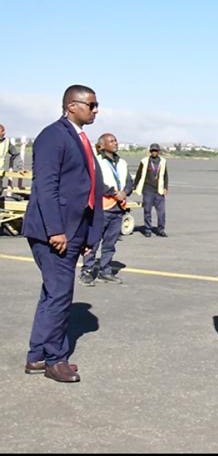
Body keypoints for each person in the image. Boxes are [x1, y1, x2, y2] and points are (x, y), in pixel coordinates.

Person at [21, 85, 104, 383]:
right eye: (91, 105)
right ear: (72, 106)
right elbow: (46, 186)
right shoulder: (53, 136)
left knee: (52, 294)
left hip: (73, 230)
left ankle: (37, 356)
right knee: (59, 295)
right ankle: (55, 359)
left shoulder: (80, 138)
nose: (96, 110)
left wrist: (88, 235)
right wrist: (55, 230)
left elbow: (87, 186)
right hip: (54, 232)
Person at [80, 133, 134, 286]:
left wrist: (125, 192)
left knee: (110, 243)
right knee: (93, 241)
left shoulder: (122, 163)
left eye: (115, 140)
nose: (115, 143)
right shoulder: (96, 161)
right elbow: (94, 182)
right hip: (102, 207)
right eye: (111, 141)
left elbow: (129, 182)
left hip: (118, 208)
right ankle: (87, 271)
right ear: (102, 145)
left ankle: (105, 270)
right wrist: (113, 193)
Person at [133, 143, 168, 237]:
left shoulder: (163, 161)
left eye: (155, 150)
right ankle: (148, 229)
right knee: (147, 210)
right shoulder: (144, 161)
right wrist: (134, 185)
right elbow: (139, 174)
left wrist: (165, 187)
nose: (154, 152)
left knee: (161, 212)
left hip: (159, 190)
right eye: (152, 150)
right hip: (147, 190)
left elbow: (165, 175)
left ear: (158, 152)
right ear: (150, 151)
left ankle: (161, 229)